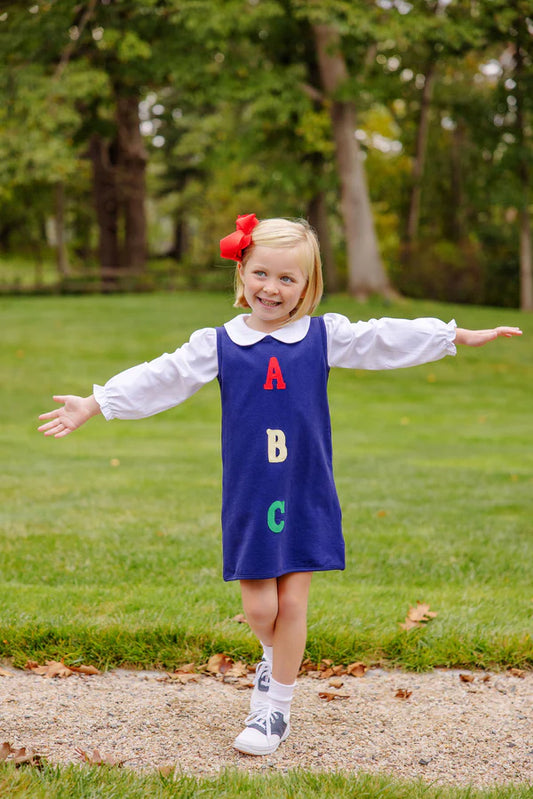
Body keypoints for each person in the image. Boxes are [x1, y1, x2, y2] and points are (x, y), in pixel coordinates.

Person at [38, 214, 522, 757]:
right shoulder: (217, 344)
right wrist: (97, 402)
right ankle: (276, 658)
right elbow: (164, 375)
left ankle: (274, 709)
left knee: (292, 605)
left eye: (288, 279)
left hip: (305, 485)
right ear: (242, 272)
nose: (272, 287)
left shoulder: (322, 336)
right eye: (262, 273)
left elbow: (382, 337)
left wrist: (451, 334)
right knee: (260, 611)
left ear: (307, 288)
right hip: (250, 491)